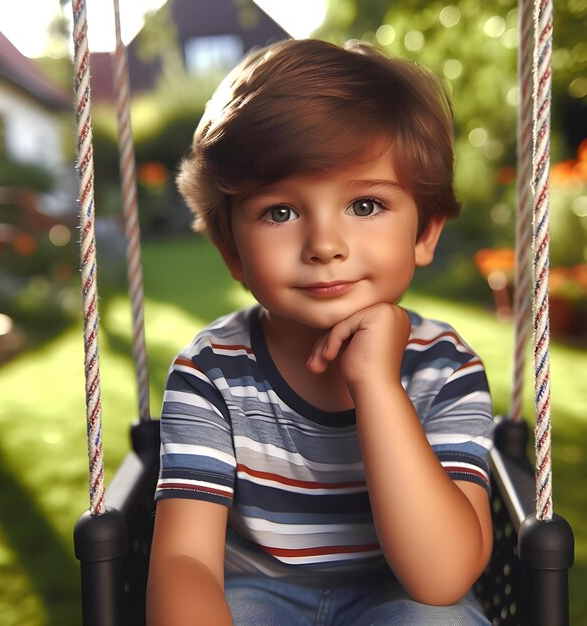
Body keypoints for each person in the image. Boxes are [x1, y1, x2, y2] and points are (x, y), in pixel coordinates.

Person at [147, 38, 494, 626]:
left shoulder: (445, 368)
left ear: (425, 232)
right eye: (280, 212)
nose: (325, 246)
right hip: (257, 591)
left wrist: (378, 387)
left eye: (364, 205)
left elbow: (441, 577)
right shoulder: (210, 371)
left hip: (401, 595)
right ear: (233, 252)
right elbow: (186, 559)